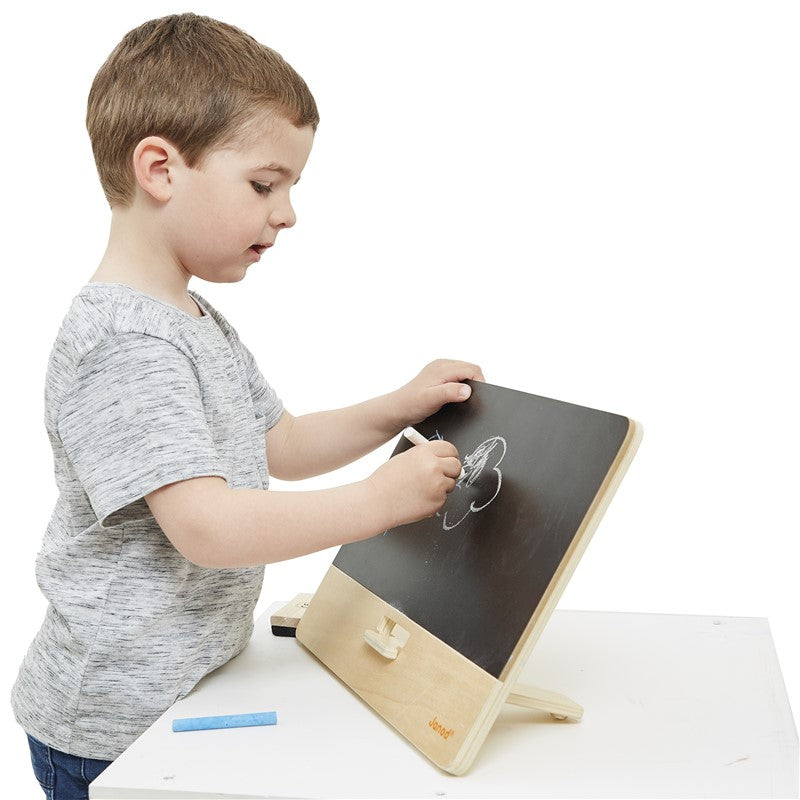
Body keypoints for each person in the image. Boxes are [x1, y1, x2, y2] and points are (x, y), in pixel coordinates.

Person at [11, 13, 483, 799]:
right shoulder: (123, 344)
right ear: (160, 168)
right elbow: (207, 527)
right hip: (114, 730)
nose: (287, 212)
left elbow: (282, 442)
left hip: (188, 690)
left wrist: (399, 405)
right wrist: (377, 502)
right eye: (265, 184)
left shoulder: (193, 320)